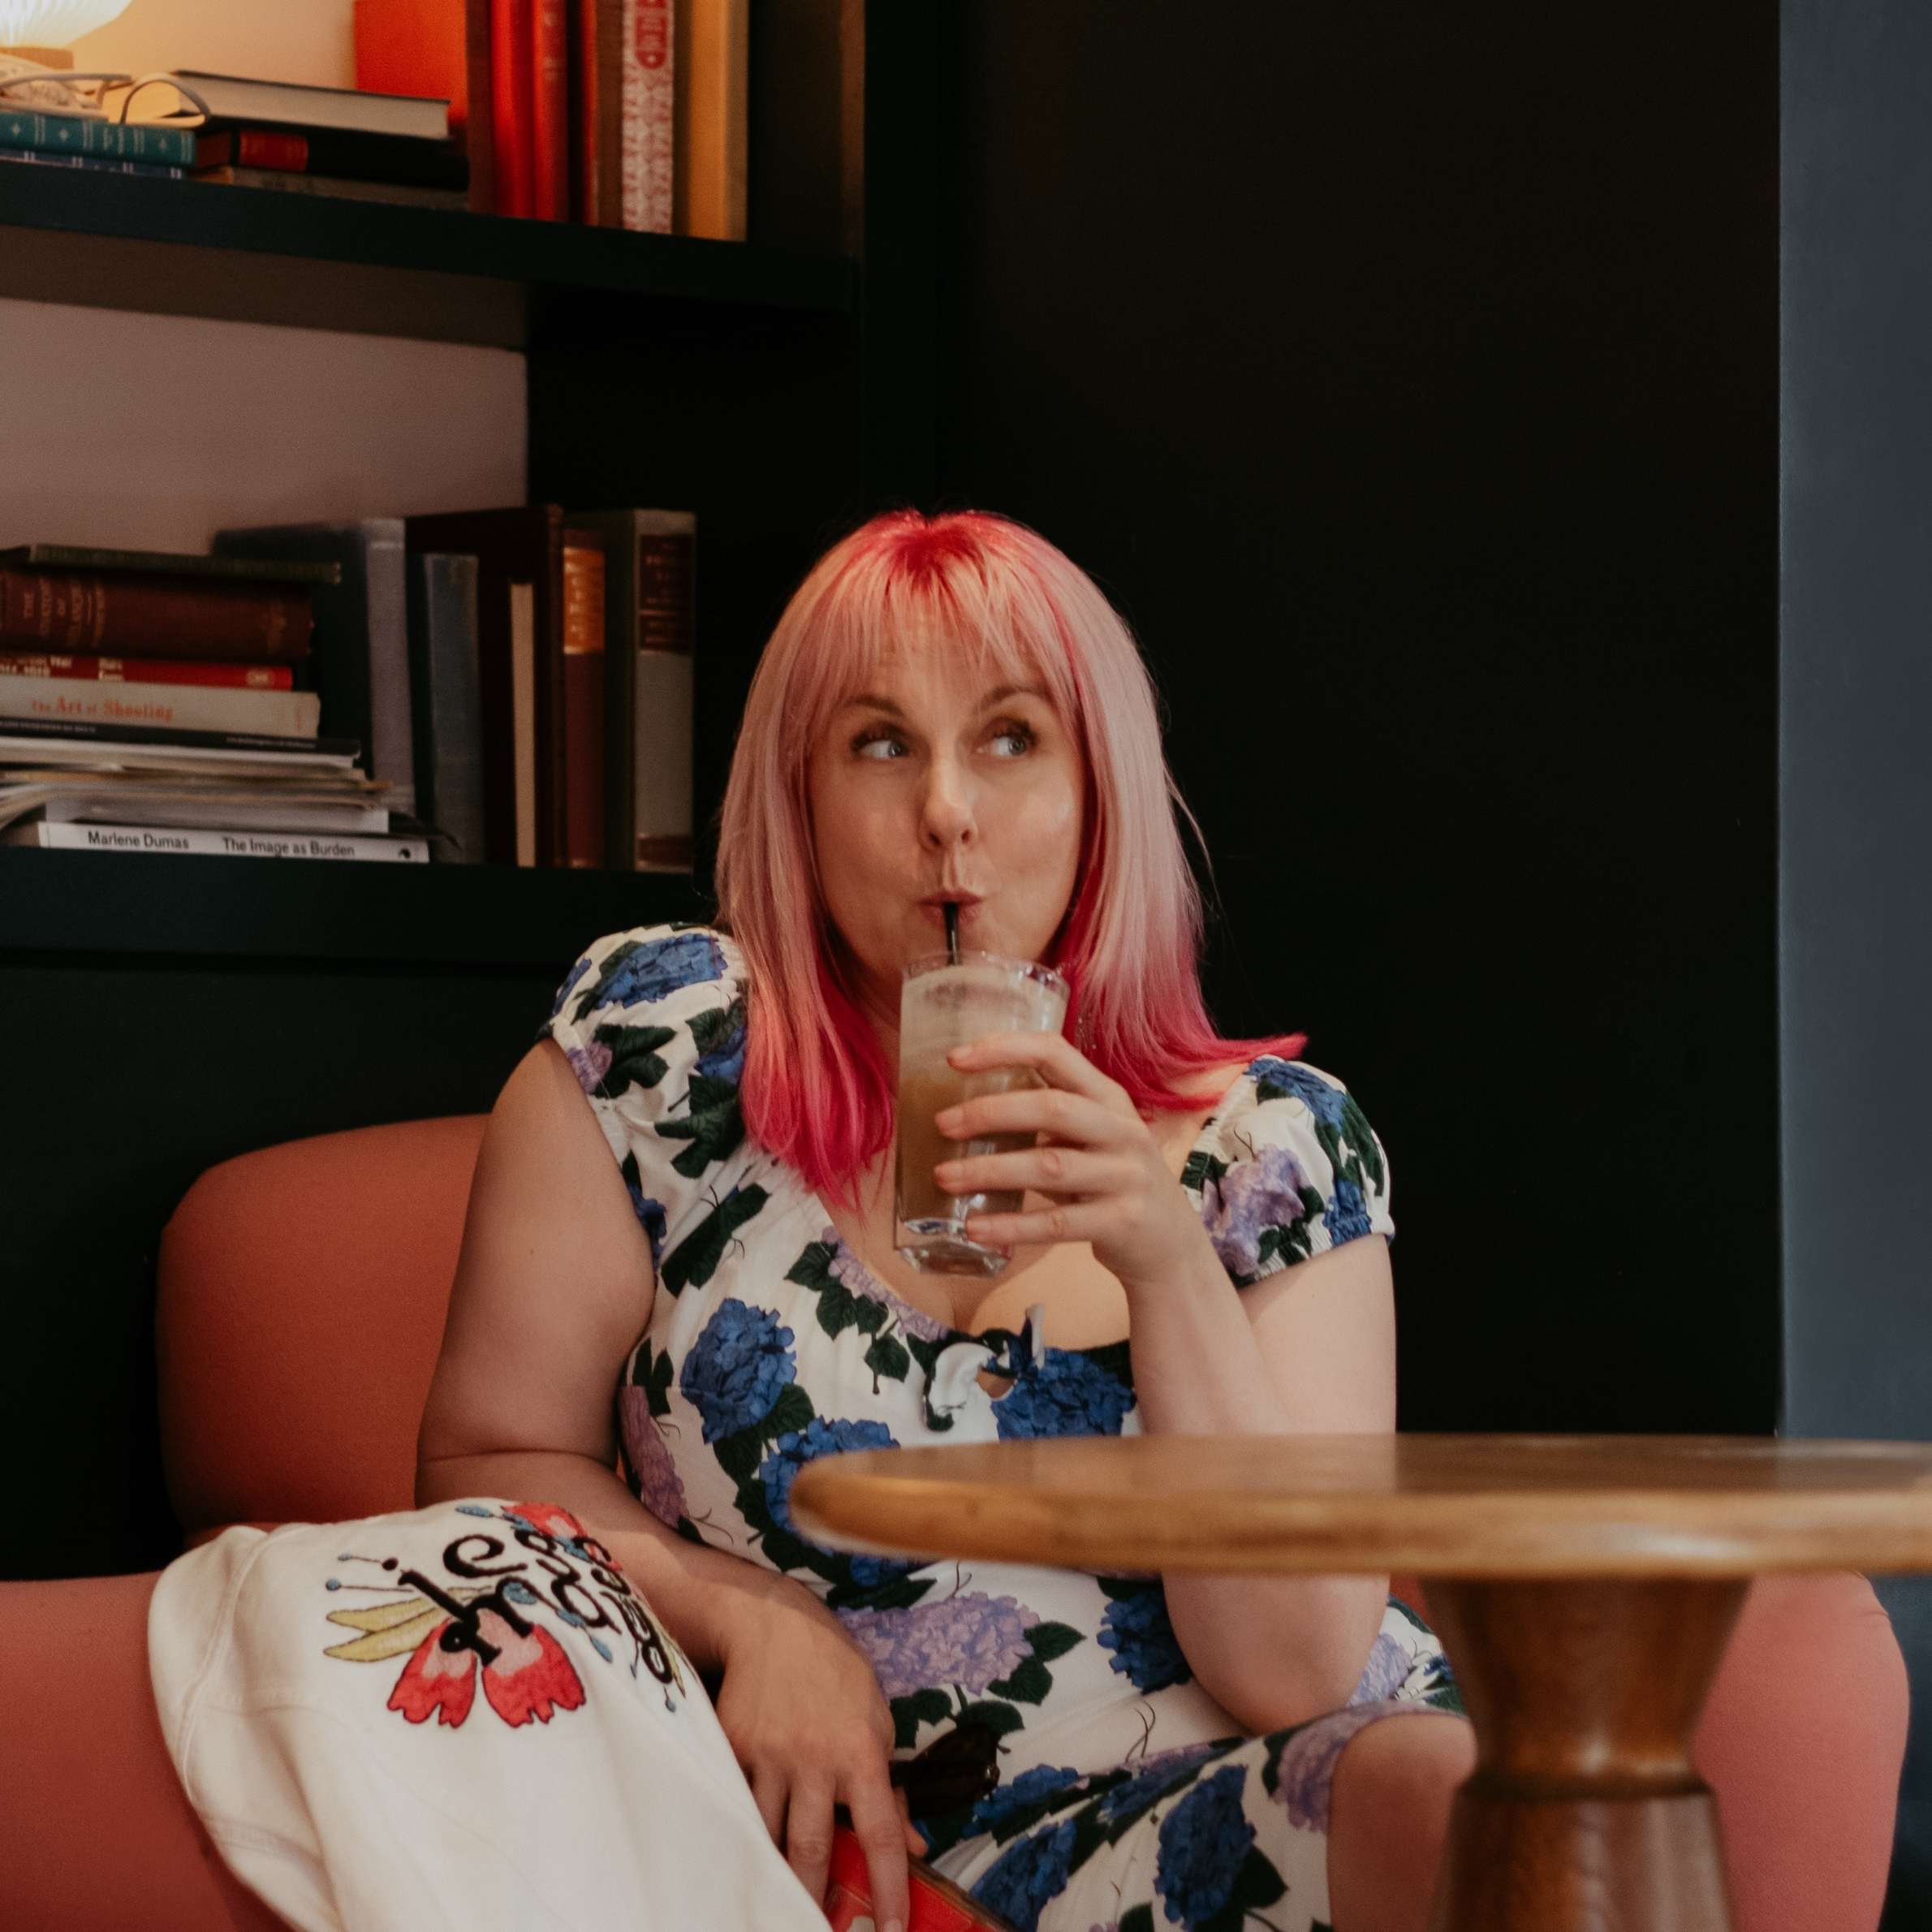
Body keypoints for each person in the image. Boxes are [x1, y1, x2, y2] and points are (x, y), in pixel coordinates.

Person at [417, 509, 1477, 1932]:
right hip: (844, 1851)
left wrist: (1162, 1258)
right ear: (798, 793)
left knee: (1442, 1799)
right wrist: (754, 1619)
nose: (946, 815)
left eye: (1011, 738)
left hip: (1274, 1807)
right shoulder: (662, 1055)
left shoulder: (1274, 1146)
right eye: (878, 743)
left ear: (1100, 788)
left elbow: (1290, 1674)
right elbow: (487, 1458)